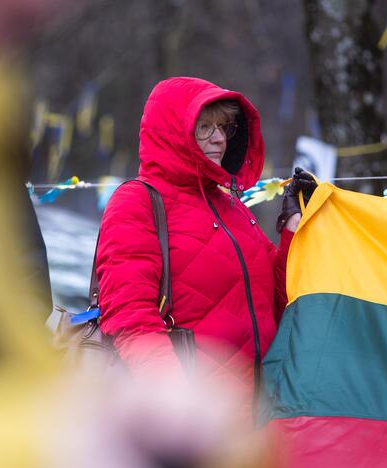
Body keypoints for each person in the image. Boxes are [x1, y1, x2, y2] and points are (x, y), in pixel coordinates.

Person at [96, 76, 316, 417]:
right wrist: (175, 397)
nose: (219, 138)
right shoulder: (136, 202)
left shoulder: (232, 206)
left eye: (224, 127)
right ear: (173, 132)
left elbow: (277, 302)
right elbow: (129, 317)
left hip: (259, 417)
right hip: (187, 418)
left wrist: (293, 229)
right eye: (204, 128)